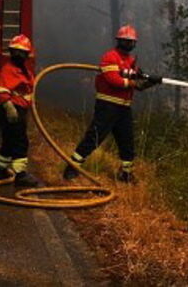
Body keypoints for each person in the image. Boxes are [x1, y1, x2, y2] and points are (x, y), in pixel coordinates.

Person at [63, 25, 161, 184]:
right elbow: (112, 79)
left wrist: (152, 81)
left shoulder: (131, 62)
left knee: (127, 141)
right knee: (94, 138)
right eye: (125, 41)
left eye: (131, 42)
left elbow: (138, 85)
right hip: (107, 106)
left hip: (124, 108)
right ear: (119, 41)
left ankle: (126, 173)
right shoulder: (110, 57)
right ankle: (72, 168)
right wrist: (133, 83)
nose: (128, 44)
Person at [0, 34, 37, 187]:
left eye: (21, 52)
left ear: (26, 54)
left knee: (9, 140)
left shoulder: (22, 69)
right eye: (15, 52)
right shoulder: (9, 69)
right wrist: (9, 107)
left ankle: (1, 168)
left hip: (20, 108)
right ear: (11, 52)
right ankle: (20, 174)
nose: (18, 55)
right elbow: (2, 91)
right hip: (13, 109)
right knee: (20, 141)